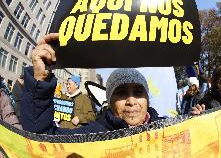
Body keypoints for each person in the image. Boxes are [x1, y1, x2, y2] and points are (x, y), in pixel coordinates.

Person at [21, 33, 164, 134]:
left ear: (147, 97)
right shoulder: (93, 134)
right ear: (109, 100)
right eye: (121, 93)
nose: (131, 101)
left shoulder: (172, 129)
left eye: (138, 92)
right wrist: (39, 78)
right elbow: (40, 139)